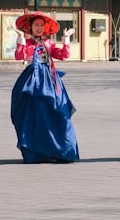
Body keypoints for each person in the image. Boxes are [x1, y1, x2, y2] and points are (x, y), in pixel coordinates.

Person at [10, 11, 79, 163]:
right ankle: (36, 152)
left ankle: (60, 150)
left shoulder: (48, 43)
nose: (39, 28)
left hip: (50, 81)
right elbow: (19, 56)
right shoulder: (27, 43)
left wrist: (66, 39)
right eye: (36, 25)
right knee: (33, 116)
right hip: (32, 82)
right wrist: (20, 38)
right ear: (30, 27)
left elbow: (63, 55)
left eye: (42, 25)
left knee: (58, 113)